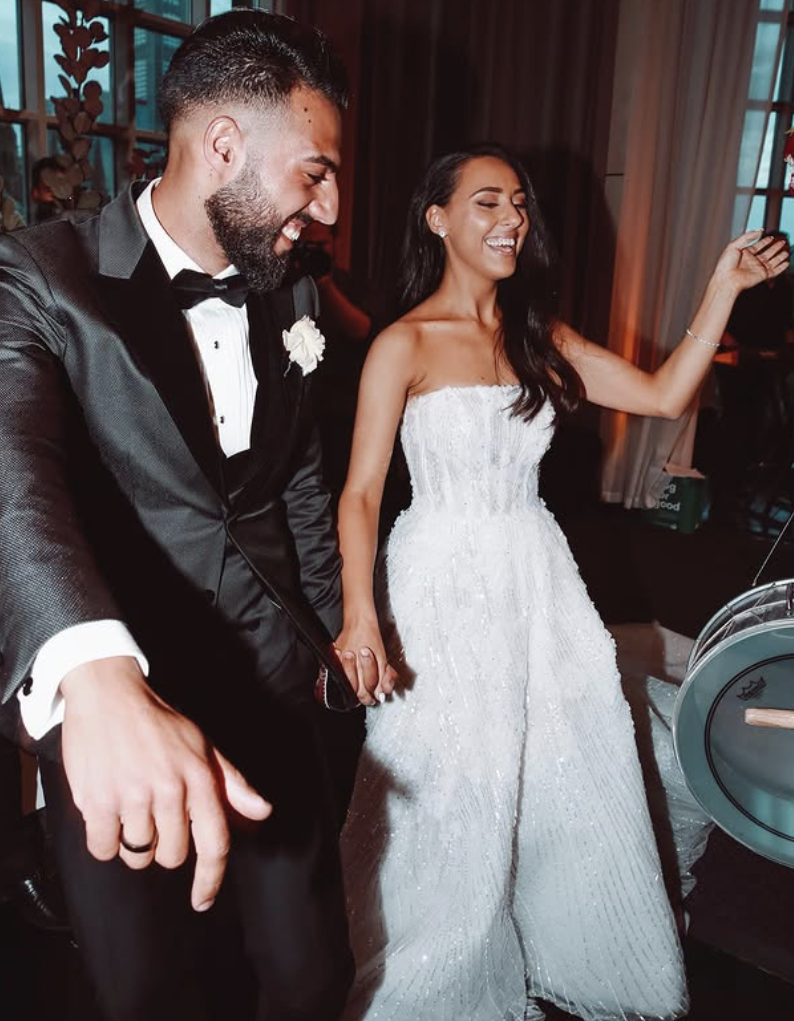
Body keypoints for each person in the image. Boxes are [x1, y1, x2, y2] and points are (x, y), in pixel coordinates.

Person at [335, 143, 788, 1021]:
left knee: (561, 764)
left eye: (520, 205)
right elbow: (357, 493)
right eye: (488, 202)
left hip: (533, 573)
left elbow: (661, 395)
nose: (512, 219)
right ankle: (436, 980)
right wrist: (361, 617)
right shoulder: (403, 344)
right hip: (438, 579)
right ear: (437, 219)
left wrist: (722, 289)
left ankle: (557, 941)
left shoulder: (540, 335)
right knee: (450, 780)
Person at [0, 10, 370, 1021]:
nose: (328, 207)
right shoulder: (38, 278)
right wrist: (90, 670)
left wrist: (332, 636)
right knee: (145, 990)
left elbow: (294, 484)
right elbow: (11, 477)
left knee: (307, 975)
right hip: (121, 701)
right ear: (225, 146)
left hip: (276, 690)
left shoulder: (292, 290)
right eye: (316, 171)